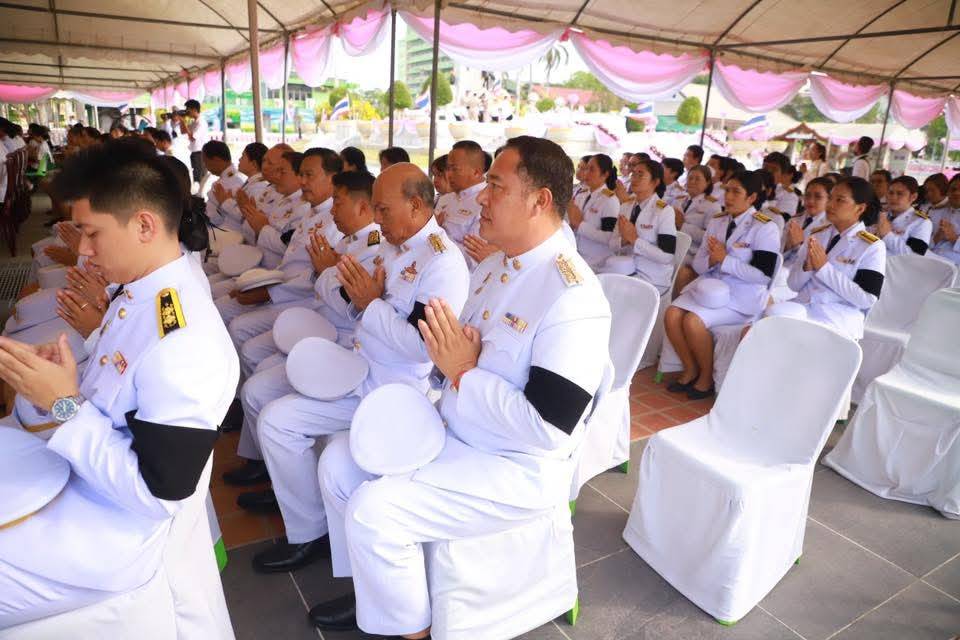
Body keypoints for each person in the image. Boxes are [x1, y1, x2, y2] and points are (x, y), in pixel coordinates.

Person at [309, 135, 612, 638]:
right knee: (340, 460)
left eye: (496, 187)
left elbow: (548, 427)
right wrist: (454, 365)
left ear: (539, 201)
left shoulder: (571, 294)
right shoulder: (494, 265)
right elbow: (448, 352)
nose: (482, 199)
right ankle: (374, 588)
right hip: (457, 428)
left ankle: (412, 630)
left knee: (373, 511)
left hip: (514, 464)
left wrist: (466, 373)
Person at [0, 138, 238, 627]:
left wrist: (63, 403)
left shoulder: (184, 339)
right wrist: (64, 379)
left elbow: (157, 496)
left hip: (110, 534)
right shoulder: (143, 294)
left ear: (144, 225)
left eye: (92, 233)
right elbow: (113, 395)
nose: (84, 249)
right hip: (86, 487)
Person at [247, 163, 469, 573]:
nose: (377, 219)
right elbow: (355, 305)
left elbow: (421, 348)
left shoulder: (442, 262)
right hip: (359, 367)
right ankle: (308, 525)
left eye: (384, 210)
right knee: (274, 413)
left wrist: (371, 304)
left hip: (393, 391)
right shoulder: (393, 246)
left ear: (415, 206)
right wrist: (360, 298)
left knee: (283, 424)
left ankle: (315, 538)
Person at [222, 170, 383, 488]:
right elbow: (315, 278)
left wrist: (325, 272)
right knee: (258, 367)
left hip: (342, 340)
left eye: (338, 202)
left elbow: (350, 306)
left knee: (259, 387)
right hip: (320, 324)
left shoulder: (374, 248)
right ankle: (265, 464)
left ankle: (273, 473)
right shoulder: (349, 240)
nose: (333, 210)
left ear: (362, 207)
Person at [226, 148, 343, 376]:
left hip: (301, 300)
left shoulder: (335, 222)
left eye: (309, 175)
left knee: (241, 334)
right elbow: (291, 259)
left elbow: (313, 276)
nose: (302, 181)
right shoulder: (311, 211)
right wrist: (257, 284)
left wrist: (268, 293)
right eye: (301, 174)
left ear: (332, 178)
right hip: (280, 286)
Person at [664, 171, 780, 400]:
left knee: (693, 321)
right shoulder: (718, 221)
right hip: (710, 289)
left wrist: (725, 260)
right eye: (727, 190)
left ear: (751, 197)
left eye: (736, 192)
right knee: (672, 313)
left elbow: (763, 276)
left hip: (742, 296)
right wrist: (712, 260)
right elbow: (699, 264)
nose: (729, 196)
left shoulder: (765, 227)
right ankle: (691, 369)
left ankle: (706, 378)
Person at [772, 177, 885, 340]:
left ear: (860, 208)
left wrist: (824, 269)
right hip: (802, 308)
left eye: (840, 200)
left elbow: (867, 299)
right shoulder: (817, 235)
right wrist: (807, 267)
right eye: (830, 198)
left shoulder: (872, 246)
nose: (830, 204)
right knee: (762, 323)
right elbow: (793, 285)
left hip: (836, 317)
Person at [603, 158, 677, 293]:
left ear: (655, 182)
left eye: (640, 175)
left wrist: (634, 240)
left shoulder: (664, 211)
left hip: (651, 277)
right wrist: (623, 240)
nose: (634, 178)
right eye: (633, 174)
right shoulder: (625, 206)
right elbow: (611, 244)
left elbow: (666, 256)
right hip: (624, 269)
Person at [436, 140, 488, 266]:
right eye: (448, 168)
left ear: (476, 172)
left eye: (454, 169)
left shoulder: (485, 203)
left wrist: (436, 234)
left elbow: (472, 258)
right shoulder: (445, 199)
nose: (448, 175)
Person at [568, 154, 620, 268]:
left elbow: (608, 237)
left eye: (592, 170)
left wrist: (580, 225)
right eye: (586, 169)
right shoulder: (582, 194)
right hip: (578, 255)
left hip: (597, 262)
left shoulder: (610, 200)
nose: (586, 173)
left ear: (605, 174)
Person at [675, 165, 722, 270]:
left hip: (690, 252)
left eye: (697, 179)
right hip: (671, 244)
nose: (692, 182)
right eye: (690, 178)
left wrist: (683, 225)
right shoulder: (679, 200)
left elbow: (709, 238)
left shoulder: (713, 206)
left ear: (708, 182)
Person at [873, 175, 932, 256]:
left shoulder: (921, 222)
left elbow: (914, 255)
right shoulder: (881, 215)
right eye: (891, 193)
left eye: (900, 194)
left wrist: (887, 235)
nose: (893, 197)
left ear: (913, 197)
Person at [783, 177, 832, 262]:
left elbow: (819, 261)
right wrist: (788, 245)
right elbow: (778, 249)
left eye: (818, 197)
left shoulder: (830, 226)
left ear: (829, 200)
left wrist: (799, 245)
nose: (810, 201)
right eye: (807, 195)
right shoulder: (795, 219)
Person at [200, 140, 245, 228]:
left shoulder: (226, 183)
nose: (205, 166)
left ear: (216, 160)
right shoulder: (235, 177)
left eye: (205, 161)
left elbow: (215, 218)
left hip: (225, 231)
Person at [929, 174, 960, 264]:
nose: (957, 193)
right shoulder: (935, 212)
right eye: (953, 189)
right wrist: (936, 238)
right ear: (948, 192)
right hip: (929, 259)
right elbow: (924, 241)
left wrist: (954, 238)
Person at [177, 99, 209, 185]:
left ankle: (200, 192)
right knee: (196, 176)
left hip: (200, 153)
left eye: (188, 110)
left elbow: (192, 138)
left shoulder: (201, 122)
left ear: (194, 109)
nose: (187, 112)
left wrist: (183, 121)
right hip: (195, 153)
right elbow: (183, 131)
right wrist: (181, 121)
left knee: (200, 177)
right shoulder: (195, 122)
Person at [761, 152, 800, 220]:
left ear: (782, 174)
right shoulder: (750, 187)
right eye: (765, 168)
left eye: (774, 169)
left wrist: (762, 207)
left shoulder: (789, 196)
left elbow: (779, 221)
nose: (769, 172)